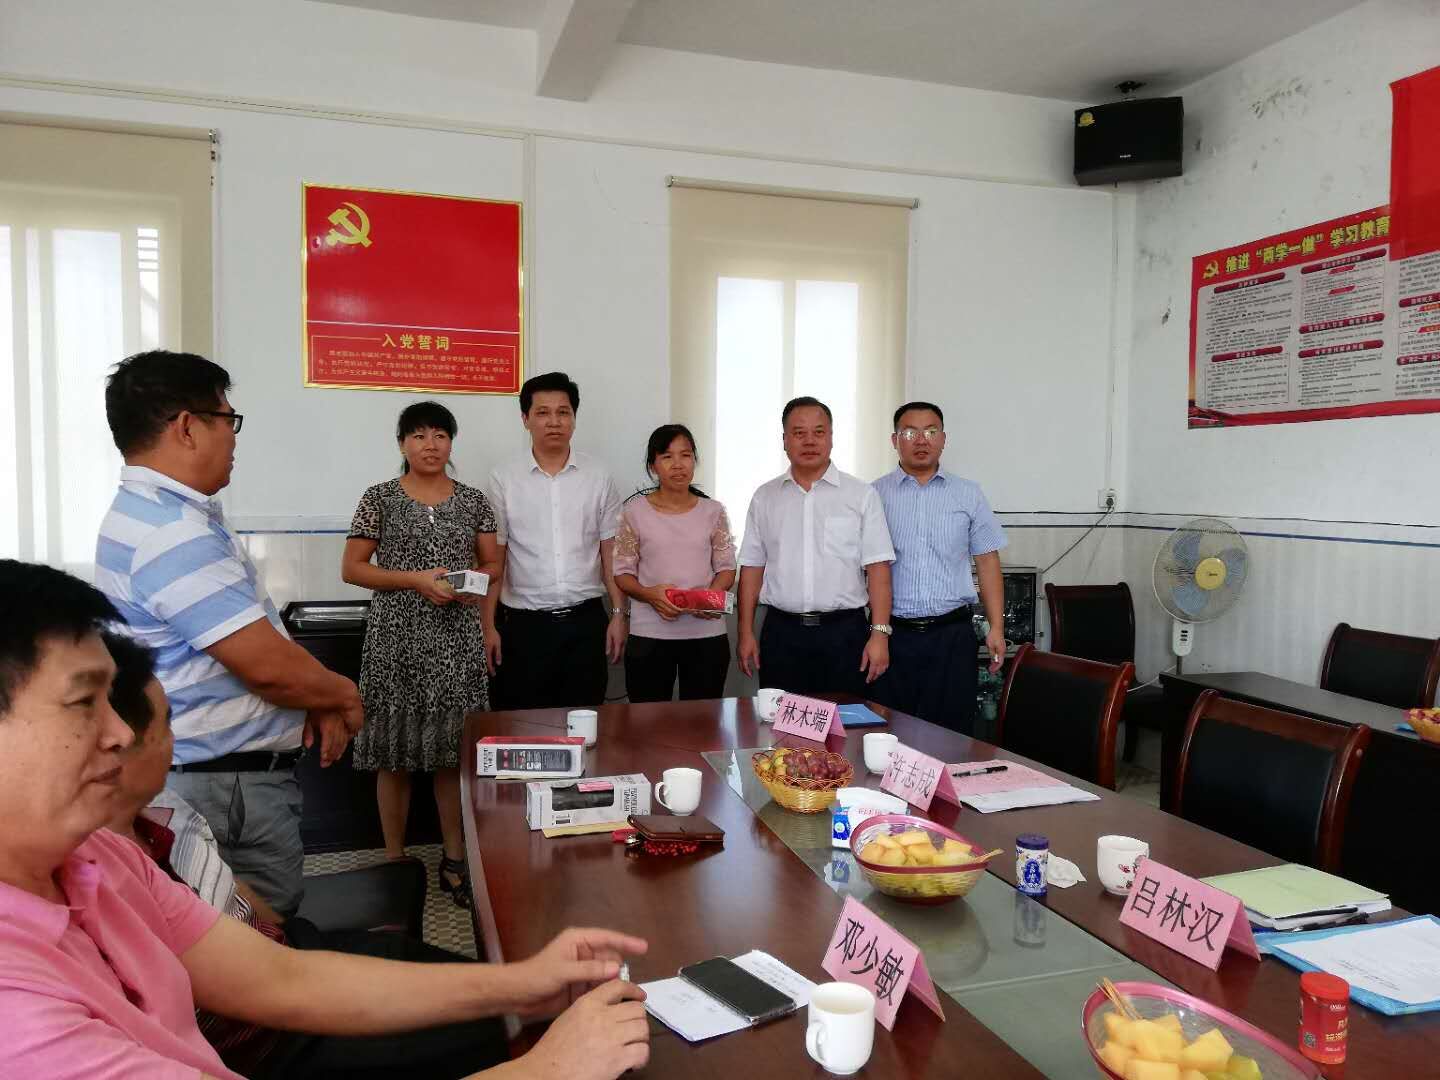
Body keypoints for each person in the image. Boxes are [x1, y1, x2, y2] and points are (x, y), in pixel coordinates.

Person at [0, 558, 652, 1080]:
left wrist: (523, 983)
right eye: (83, 702)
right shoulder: (17, 1014)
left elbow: (281, 976)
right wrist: (546, 1071)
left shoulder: (102, 857)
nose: (121, 733)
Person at [99, 629, 516, 1079]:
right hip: (275, 1033)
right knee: (496, 1027)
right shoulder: (110, 875)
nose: (176, 741)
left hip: (286, 957)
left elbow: (235, 895)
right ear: (120, 743)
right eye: (167, 725)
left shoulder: (169, 811)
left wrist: (284, 937)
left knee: (466, 984)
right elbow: (263, 991)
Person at [95, 349, 363, 917]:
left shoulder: (155, 514)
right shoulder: (172, 532)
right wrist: (342, 694)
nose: (234, 438)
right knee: (256, 940)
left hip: (211, 776)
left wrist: (310, 696)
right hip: (221, 787)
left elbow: (254, 642)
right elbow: (264, 665)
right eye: (227, 419)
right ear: (187, 427)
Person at [341, 401, 501, 908]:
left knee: (451, 755)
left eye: (439, 435)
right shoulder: (380, 498)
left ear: (451, 443)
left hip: (457, 639)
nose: (430, 445)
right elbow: (353, 568)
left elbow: (493, 563)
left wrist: (471, 584)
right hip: (395, 640)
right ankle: (395, 862)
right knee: (393, 755)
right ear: (402, 444)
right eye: (418, 436)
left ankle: (454, 859)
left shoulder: (474, 500)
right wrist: (414, 579)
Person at [483, 372, 626, 710]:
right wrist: (487, 625)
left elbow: (610, 553)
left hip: (586, 623)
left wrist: (619, 614)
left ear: (574, 418)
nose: (554, 422)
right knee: (521, 724)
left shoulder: (598, 476)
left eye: (563, 412)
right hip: (523, 626)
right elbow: (495, 559)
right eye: (543, 412)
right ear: (525, 419)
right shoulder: (503, 478)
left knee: (583, 722)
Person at [736, 396, 895, 698]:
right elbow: (752, 569)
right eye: (799, 433)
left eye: (818, 432)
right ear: (785, 440)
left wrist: (880, 634)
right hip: (782, 633)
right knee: (780, 722)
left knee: (845, 721)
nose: (809, 441)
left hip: (844, 634)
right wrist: (745, 633)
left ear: (831, 437)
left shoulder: (861, 495)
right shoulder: (765, 497)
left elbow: (878, 569)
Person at [870, 401, 1008, 734]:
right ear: (894, 440)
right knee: (890, 732)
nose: (921, 440)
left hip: (952, 636)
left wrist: (997, 626)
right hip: (894, 636)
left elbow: (987, 562)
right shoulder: (873, 495)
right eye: (910, 432)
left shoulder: (968, 494)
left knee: (952, 734)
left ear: (943, 439)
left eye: (931, 431)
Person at [613, 424, 737, 702]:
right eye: (667, 457)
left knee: (703, 719)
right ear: (653, 466)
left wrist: (710, 597)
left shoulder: (713, 511)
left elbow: (726, 568)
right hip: (650, 634)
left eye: (686, 455)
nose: (678, 464)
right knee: (648, 719)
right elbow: (622, 574)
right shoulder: (634, 512)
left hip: (706, 633)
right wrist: (650, 595)